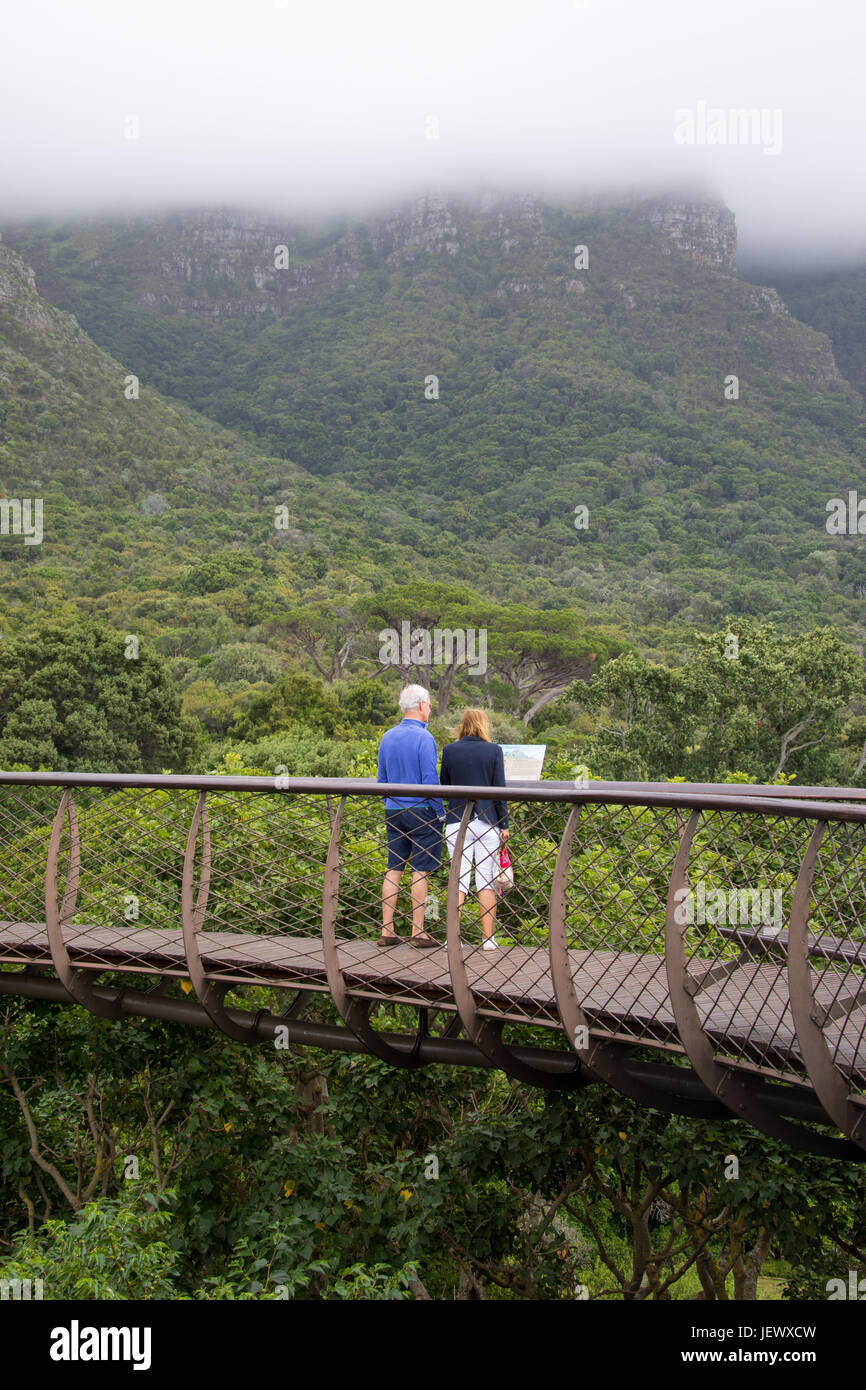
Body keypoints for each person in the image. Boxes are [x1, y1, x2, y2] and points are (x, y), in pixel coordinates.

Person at [376, 684, 443, 948]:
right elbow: (430, 780)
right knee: (421, 870)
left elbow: (382, 779)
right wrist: (440, 813)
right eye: (429, 705)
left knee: (394, 869)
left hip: (393, 811)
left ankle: (387, 930)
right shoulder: (425, 738)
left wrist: (391, 803)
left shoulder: (387, 737)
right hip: (421, 811)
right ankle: (418, 932)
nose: (430, 710)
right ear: (421, 705)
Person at [439, 708, 509, 951]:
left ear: (462, 725)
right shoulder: (494, 751)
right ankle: (487, 939)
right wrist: (505, 824)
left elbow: (444, 784)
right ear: (483, 725)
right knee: (486, 880)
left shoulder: (450, 750)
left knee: (458, 879)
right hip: (487, 819)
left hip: (457, 819)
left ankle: (452, 939)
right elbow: (500, 790)